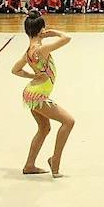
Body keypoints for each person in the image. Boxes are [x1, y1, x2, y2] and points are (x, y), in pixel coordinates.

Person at [11, 11, 74, 178]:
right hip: (38, 95)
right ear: (41, 30)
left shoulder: (29, 51)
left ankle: (29, 165)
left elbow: (15, 70)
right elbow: (67, 38)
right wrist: (53, 32)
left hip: (31, 93)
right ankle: (55, 162)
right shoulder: (42, 48)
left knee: (44, 128)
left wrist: (32, 76)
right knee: (68, 122)